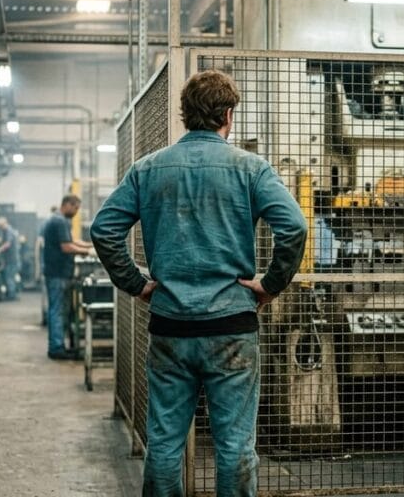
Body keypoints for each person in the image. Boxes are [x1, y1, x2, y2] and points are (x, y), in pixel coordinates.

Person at [91, 69, 307, 496]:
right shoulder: (251, 168)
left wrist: (137, 284)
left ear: (185, 114)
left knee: (164, 443)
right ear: (228, 115)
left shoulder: (148, 169)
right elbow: (294, 228)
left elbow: (104, 230)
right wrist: (270, 285)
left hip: (170, 325)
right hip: (231, 325)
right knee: (235, 446)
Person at [42, 196, 93, 359]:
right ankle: (56, 348)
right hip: (58, 274)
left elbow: (72, 241)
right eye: (75, 208)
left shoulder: (58, 220)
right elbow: (66, 247)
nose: (76, 211)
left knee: (60, 310)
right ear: (67, 205)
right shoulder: (60, 221)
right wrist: (88, 252)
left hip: (57, 273)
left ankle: (58, 345)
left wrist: (90, 245)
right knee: (57, 311)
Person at [0, 217, 21, 300]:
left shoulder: (8, 231)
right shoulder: (6, 231)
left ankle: (11, 295)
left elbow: (7, 244)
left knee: (9, 277)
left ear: (4, 224)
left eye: (0, 226)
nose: (0, 228)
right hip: (10, 259)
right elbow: (2, 240)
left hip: (12, 259)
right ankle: (11, 293)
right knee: (9, 277)